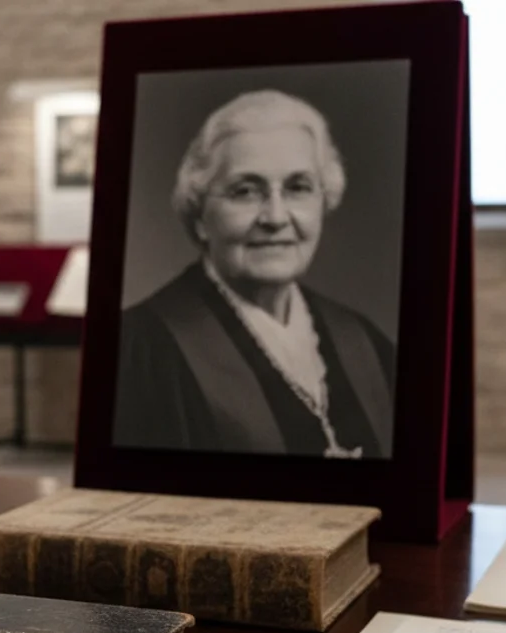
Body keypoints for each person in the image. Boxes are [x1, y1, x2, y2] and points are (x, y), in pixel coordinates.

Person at [113, 90, 395, 459]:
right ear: (200, 217)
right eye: (245, 191)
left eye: (298, 188)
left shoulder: (362, 341)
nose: (275, 218)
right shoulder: (143, 349)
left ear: (324, 202)